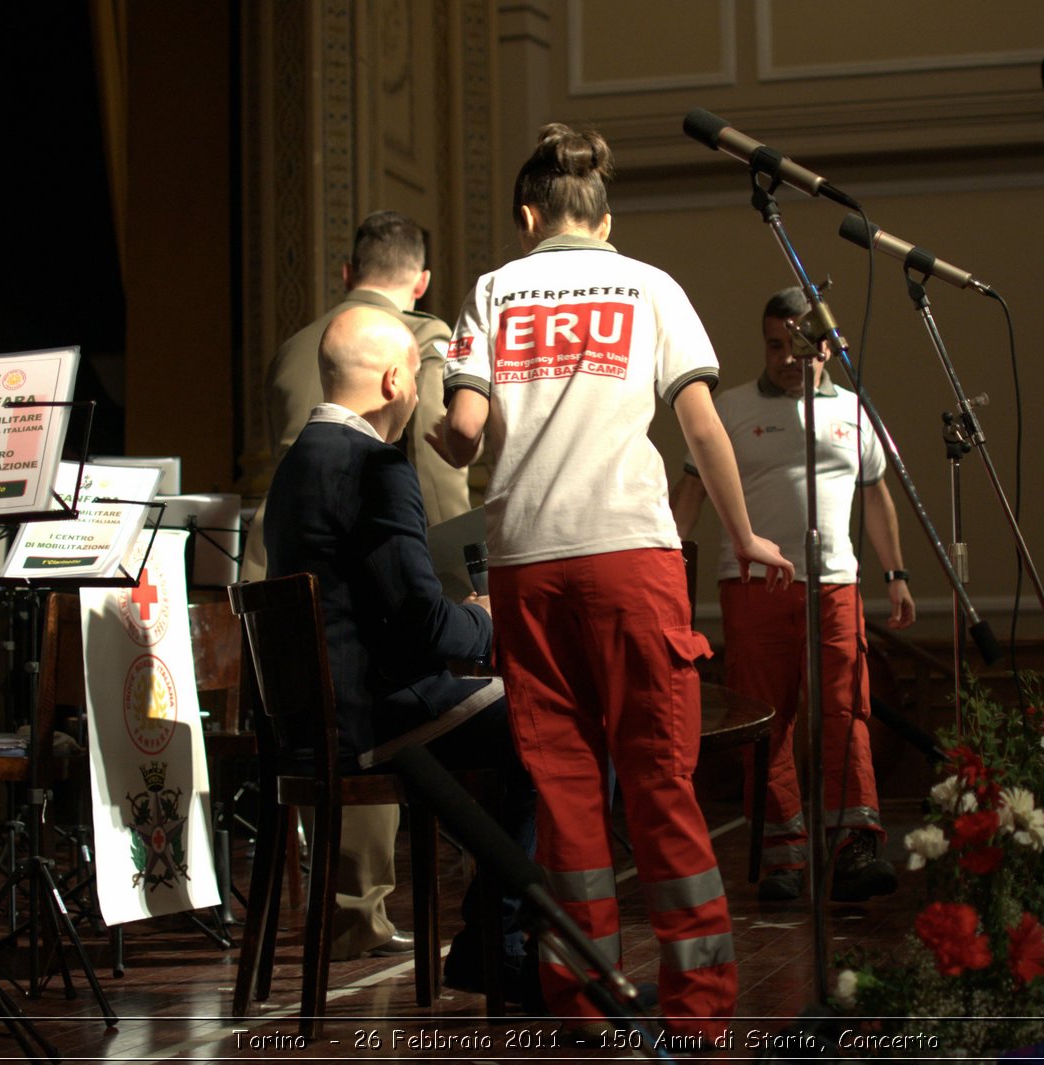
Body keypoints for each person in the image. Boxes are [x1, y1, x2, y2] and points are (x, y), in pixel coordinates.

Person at [427, 123, 793, 1045]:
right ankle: (697, 1017)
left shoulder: (493, 289)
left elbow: (463, 429)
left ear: (527, 215)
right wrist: (744, 533)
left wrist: (447, 434)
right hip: (631, 557)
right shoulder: (651, 285)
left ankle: (585, 1011)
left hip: (525, 566)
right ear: (606, 216)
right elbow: (702, 429)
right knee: (661, 781)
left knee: (566, 796)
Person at [262, 304, 534, 996]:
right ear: (393, 382)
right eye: (419, 379)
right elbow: (423, 628)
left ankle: (488, 935)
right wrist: (491, 623)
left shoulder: (294, 465)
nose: (421, 395)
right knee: (554, 723)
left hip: (318, 717)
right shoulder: (377, 465)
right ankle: (502, 943)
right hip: (375, 713)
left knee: (522, 726)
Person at [245, 210, 468, 960]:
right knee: (437, 705)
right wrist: (461, 591)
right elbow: (437, 470)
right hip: (373, 569)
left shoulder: (292, 349)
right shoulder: (419, 345)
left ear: (347, 274)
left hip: (277, 575)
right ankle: (475, 913)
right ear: (422, 281)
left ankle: (341, 909)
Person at [670, 286, 917, 905]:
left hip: (834, 583)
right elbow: (692, 493)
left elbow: (878, 497)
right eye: (773, 344)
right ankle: (783, 853)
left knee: (847, 710)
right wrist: (668, 558)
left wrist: (896, 574)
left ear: (828, 345)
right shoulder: (729, 408)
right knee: (765, 716)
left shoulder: (855, 411)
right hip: (755, 586)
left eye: (798, 344)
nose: (784, 357)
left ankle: (854, 845)